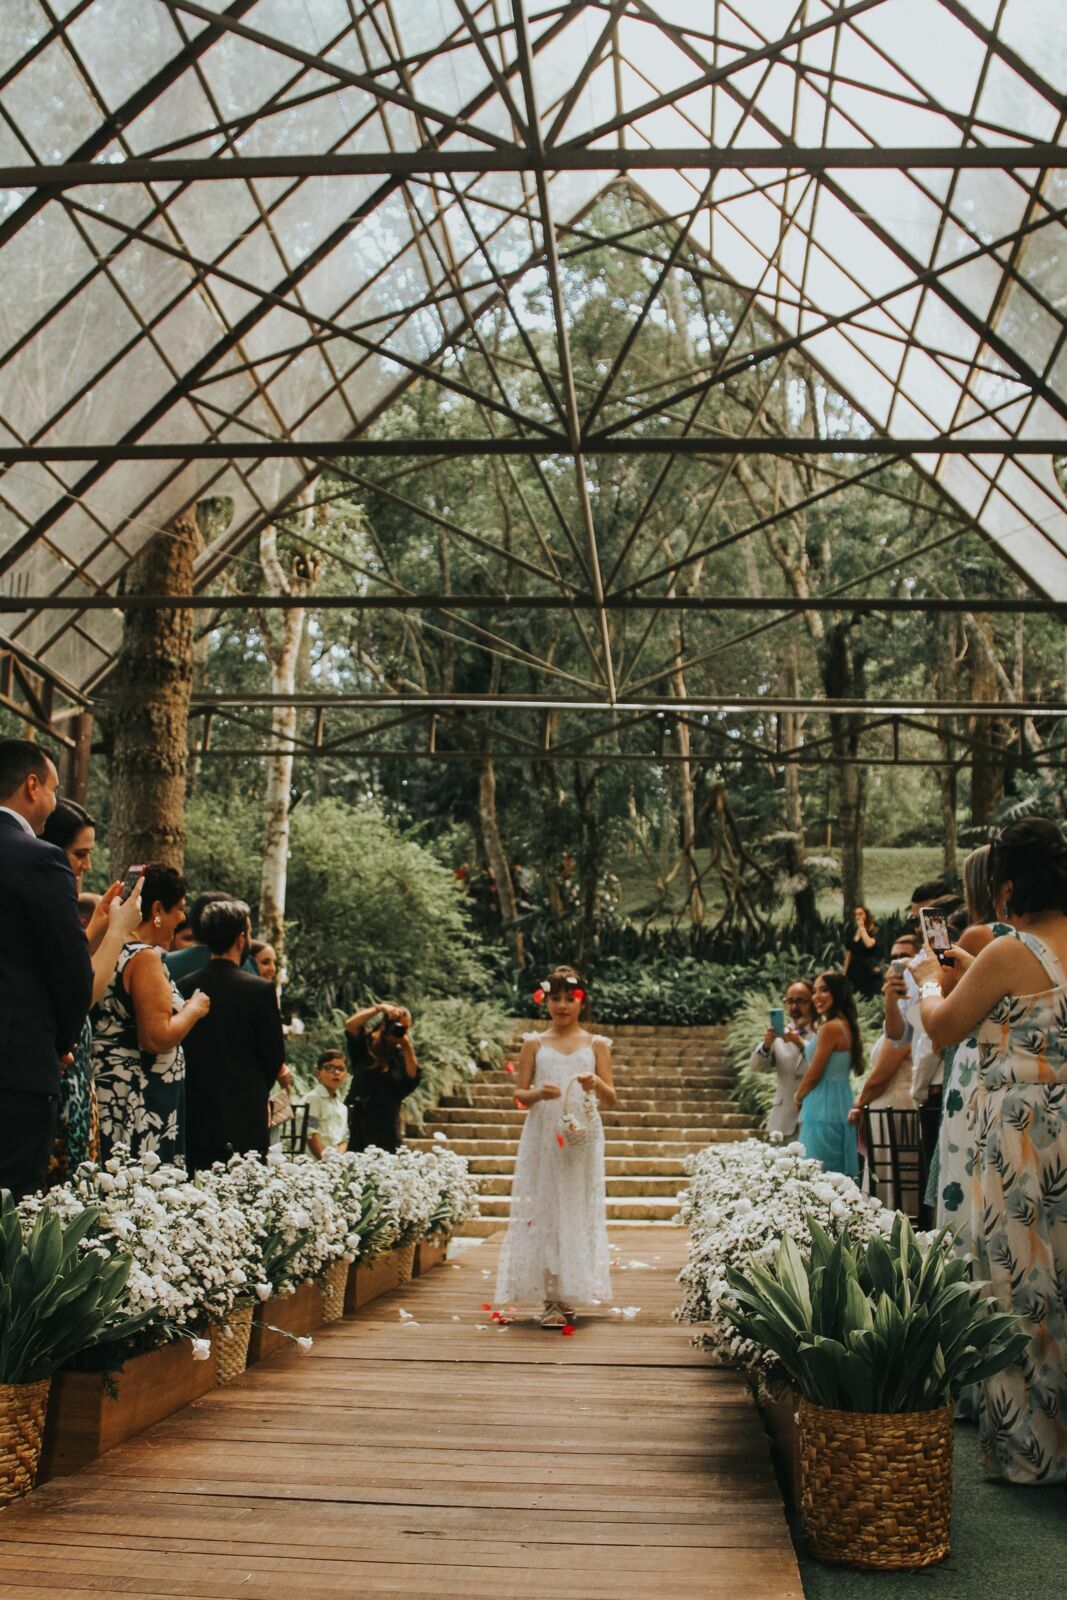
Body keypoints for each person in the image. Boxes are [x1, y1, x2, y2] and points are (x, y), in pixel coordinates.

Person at [917, 818, 1067, 1485]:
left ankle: (1030, 1453)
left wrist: (928, 979)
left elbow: (944, 1026)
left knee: (1017, 1283)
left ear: (1006, 884)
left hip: (1022, 1134)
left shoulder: (1011, 951)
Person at [495, 966, 615, 1328]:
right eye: (555, 998)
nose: (562, 1005)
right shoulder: (534, 1043)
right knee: (546, 1207)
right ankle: (551, 1298)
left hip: (579, 1135)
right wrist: (536, 1093)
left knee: (575, 1206)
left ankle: (569, 1290)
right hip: (545, 1134)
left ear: (581, 1003)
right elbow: (519, 1096)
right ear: (545, 1000)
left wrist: (594, 1082)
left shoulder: (596, 1045)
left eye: (570, 999)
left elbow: (612, 1098)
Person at [0, 739, 94, 1199]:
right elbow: (72, 972)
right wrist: (59, 1043)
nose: (55, 802)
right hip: (15, 1065)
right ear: (32, 786)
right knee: (10, 1206)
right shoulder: (39, 858)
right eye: (54, 789)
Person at [92, 863, 210, 1163]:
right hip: (139, 1097)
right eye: (178, 909)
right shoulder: (143, 958)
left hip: (109, 1089)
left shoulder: (106, 949)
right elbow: (156, 1038)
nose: (182, 918)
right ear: (157, 909)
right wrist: (193, 1009)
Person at [177, 900, 285, 1172]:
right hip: (245, 1112)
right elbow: (274, 1055)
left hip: (195, 1109)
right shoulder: (260, 990)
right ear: (241, 938)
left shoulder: (185, 985)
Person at [849, 932, 919, 1211]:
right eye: (893, 958)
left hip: (898, 1108)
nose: (898, 964)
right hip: (884, 1108)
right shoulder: (900, 1008)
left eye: (905, 957)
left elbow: (884, 1069)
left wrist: (859, 1102)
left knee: (896, 1185)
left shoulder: (918, 1006)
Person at [796, 970, 861, 1179]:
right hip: (840, 1101)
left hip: (822, 1105)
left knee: (817, 1172)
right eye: (814, 991)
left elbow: (814, 1073)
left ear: (838, 992)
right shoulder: (846, 1025)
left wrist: (798, 1096)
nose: (816, 996)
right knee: (835, 1172)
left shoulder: (830, 1028)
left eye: (824, 990)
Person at [344, 1002, 422, 1153]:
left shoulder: (401, 1056)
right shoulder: (365, 1045)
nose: (398, 1030)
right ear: (384, 1024)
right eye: (396, 1025)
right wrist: (379, 1008)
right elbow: (351, 1024)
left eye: (404, 1028)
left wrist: (407, 1046)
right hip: (358, 1120)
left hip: (387, 1123)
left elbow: (413, 1077)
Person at [747, 979, 815, 1138]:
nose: (794, 1006)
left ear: (812, 1002)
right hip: (782, 1120)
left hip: (813, 1117)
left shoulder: (822, 1033)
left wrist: (800, 1043)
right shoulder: (779, 1033)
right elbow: (756, 1067)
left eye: (800, 1001)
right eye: (790, 1001)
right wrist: (766, 1045)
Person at [306, 1050, 350, 1157]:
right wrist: (326, 1163)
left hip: (335, 1165)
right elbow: (310, 1134)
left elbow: (344, 1139)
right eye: (329, 1067)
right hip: (313, 1165)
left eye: (341, 1069)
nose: (336, 1072)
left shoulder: (341, 1106)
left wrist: (337, 1163)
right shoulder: (313, 1099)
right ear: (318, 1073)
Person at [843, 905, 882, 998]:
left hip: (868, 967)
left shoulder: (875, 930)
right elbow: (849, 952)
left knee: (868, 995)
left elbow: (869, 944)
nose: (858, 916)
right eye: (856, 914)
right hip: (854, 968)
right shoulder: (853, 931)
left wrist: (862, 930)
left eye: (860, 914)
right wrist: (844, 970)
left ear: (866, 915)